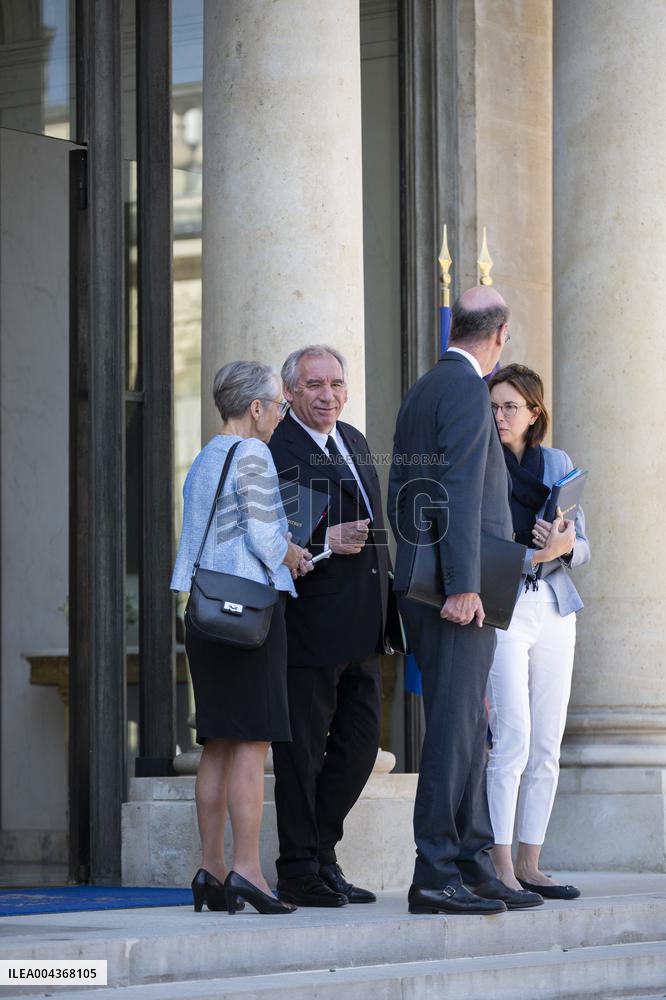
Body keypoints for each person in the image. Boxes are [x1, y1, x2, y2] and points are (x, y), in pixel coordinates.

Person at [388, 287, 574, 915]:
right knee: (455, 728)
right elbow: (462, 490)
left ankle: (471, 861)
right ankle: (436, 870)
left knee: (469, 723)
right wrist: (463, 584)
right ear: (500, 337)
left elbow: (407, 487)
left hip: (427, 582)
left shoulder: (425, 387)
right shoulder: (467, 389)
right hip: (453, 590)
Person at [171, 361, 313, 916]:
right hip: (248, 613)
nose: (280, 413)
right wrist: (294, 553)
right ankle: (249, 870)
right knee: (252, 743)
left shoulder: (204, 456)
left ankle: (210, 868)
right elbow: (261, 532)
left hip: (205, 612)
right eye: (277, 404)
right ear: (255, 408)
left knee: (218, 743)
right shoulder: (253, 454)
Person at [268, 345, 391, 907]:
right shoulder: (277, 448)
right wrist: (324, 543)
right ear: (291, 392)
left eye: (336, 384)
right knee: (301, 753)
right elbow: (271, 542)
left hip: (366, 623)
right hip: (310, 624)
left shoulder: (355, 439)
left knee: (359, 747)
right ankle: (298, 867)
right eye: (314, 385)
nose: (328, 395)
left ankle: (322, 852)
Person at [486, 363, 590, 900]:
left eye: (511, 406)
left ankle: (531, 861)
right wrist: (535, 554)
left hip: (554, 608)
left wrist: (565, 545)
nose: (500, 415)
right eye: (495, 405)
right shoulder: (479, 462)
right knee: (513, 739)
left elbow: (585, 547)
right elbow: (479, 548)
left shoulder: (558, 464)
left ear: (534, 413)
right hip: (505, 610)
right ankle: (500, 864)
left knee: (547, 741)